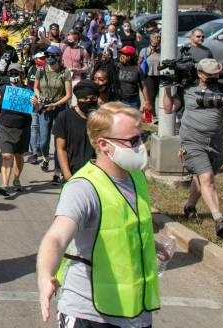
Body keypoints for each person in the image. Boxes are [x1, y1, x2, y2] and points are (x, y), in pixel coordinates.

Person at [36, 102, 161, 326]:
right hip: (90, 314)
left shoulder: (136, 177)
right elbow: (56, 236)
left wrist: (150, 245)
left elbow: (123, 228)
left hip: (135, 313)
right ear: (103, 144)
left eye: (142, 138)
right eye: (132, 141)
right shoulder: (83, 187)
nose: (141, 146)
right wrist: (45, 275)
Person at [163, 57, 223, 238]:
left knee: (203, 179)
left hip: (216, 143)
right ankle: (220, 220)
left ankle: (190, 206)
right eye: (209, 74)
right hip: (192, 141)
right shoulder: (187, 90)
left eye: (215, 74)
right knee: (206, 177)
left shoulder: (222, 90)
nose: (212, 77)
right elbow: (170, 108)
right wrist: (167, 89)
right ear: (200, 73)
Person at [0, 63, 34, 195]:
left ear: (22, 75)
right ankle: (4, 184)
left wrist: (36, 104)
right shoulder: (3, 90)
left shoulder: (28, 90)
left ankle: (16, 178)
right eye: (11, 74)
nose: (14, 76)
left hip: (23, 128)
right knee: (7, 155)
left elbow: (36, 110)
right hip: (5, 127)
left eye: (16, 73)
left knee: (19, 155)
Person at [32, 45, 72, 175]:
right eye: (47, 55)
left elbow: (68, 95)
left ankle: (57, 171)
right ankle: (45, 158)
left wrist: (55, 104)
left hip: (60, 108)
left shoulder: (64, 72)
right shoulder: (41, 71)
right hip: (45, 108)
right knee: (43, 141)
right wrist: (40, 98)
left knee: (58, 141)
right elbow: (36, 87)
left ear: (58, 57)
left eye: (52, 56)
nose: (49, 58)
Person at [54, 80, 99, 182]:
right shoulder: (64, 117)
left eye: (93, 98)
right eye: (84, 98)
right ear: (78, 99)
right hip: (73, 174)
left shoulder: (101, 117)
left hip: (97, 175)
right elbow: (61, 148)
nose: (89, 101)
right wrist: (67, 174)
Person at [116, 46, 149, 114]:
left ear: (130, 57)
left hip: (133, 102)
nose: (122, 56)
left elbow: (143, 86)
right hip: (120, 101)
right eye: (121, 54)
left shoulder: (137, 69)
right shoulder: (118, 67)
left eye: (124, 54)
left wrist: (147, 101)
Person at [138, 33, 162, 117]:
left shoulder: (162, 50)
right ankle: (152, 115)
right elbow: (139, 62)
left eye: (158, 38)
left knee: (157, 95)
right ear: (151, 40)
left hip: (159, 75)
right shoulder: (144, 50)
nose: (157, 40)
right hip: (148, 76)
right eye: (155, 38)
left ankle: (152, 114)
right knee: (151, 96)